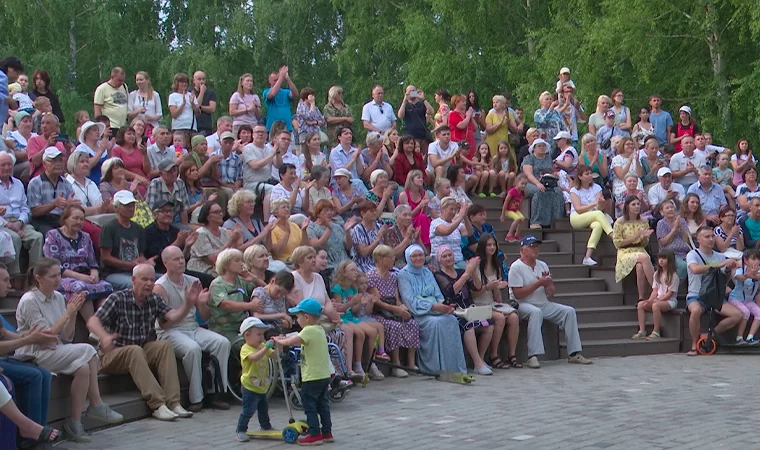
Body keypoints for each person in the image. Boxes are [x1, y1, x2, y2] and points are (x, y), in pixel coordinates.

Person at [15, 258, 122, 442]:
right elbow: (45, 337)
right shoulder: (29, 300)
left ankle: (74, 422)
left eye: (59, 275)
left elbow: (66, 336)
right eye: (53, 276)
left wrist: (71, 314)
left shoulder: (57, 297)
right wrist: (68, 313)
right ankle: (96, 403)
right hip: (34, 352)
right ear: (38, 278)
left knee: (83, 368)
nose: (58, 279)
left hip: (56, 349)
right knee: (88, 349)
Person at [88, 264, 196, 421]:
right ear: (133, 280)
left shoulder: (154, 299)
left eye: (152, 280)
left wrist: (188, 304)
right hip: (112, 354)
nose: (149, 283)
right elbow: (92, 321)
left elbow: (173, 317)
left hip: (141, 350)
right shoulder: (118, 298)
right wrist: (104, 337)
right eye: (144, 279)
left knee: (163, 346)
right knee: (134, 350)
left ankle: (174, 403)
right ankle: (158, 405)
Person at [154, 245, 229, 412]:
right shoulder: (160, 287)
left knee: (222, 343)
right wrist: (188, 302)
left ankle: (216, 392)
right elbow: (165, 323)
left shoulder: (192, 281)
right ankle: (197, 398)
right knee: (193, 349)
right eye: (176, 259)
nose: (181, 261)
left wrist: (202, 303)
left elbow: (205, 315)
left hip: (192, 327)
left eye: (182, 257)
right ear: (165, 263)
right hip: (170, 331)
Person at [509, 236, 592, 368]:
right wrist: (539, 283)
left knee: (569, 311)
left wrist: (548, 285)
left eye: (536, 246)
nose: (535, 249)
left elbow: (551, 294)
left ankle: (574, 353)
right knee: (535, 313)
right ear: (522, 250)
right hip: (522, 304)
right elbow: (518, 294)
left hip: (543, 303)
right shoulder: (516, 267)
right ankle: (533, 356)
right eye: (531, 246)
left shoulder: (542, 265)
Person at [396, 244, 466, 375]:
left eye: (420, 255)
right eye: (414, 256)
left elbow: (438, 294)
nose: (418, 258)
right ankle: (434, 367)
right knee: (436, 323)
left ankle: (452, 366)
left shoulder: (427, 271)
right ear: (408, 258)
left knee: (451, 319)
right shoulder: (403, 275)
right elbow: (410, 301)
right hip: (419, 313)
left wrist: (444, 307)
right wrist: (432, 307)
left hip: (435, 309)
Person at [273, 298, 334, 446]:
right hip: (324, 375)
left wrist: (279, 341)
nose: (297, 320)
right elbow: (296, 337)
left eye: (298, 317)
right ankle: (327, 432)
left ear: (306, 317)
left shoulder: (309, 330)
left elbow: (293, 341)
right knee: (322, 405)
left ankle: (314, 434)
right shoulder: (319, 329)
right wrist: (285, 338)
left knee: (309, 406)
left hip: (312, 376)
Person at [43, 204, 113, 316]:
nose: (79, 222)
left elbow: (92, 262)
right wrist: (81, 277)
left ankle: (100, 324)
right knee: (81, 288)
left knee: (106, 286)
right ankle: (92, 327)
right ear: (65, 219)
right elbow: (54, 266)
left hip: (85, 276)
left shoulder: (86, 236)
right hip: (63, 276)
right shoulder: (53, 235)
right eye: (75, 218)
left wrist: (94, 274)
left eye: (82, 219)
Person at [685, 227, 743, 356]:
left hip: (715, 295)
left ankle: (709, 335)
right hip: (697, 295)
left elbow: (723, 276)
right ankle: (694, 345)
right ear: (698, 239)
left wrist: (729, 268)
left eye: (712, 236)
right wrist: (719, 265)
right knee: (695, 311)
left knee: (737, 315)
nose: (711, 239)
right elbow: (694, 269)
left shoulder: (719, 256)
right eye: (707, 237)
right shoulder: (693, 254)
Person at [366, 245, 420, 377]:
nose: (393, 260)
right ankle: (396, 364)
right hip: (379, 312)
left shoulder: (393, 277)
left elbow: (396, 298)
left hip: (392, 309)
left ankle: (411, 363)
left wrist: (401, 307)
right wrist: (395, 309)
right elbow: (377, 301)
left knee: (412, 323)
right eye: (391, 258)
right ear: (380, 259)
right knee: (394, 326)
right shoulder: (371, 276)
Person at [331, 261, 386, 380]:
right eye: (353, 270)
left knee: (372, 332)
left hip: (351, 316)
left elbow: (354, 311)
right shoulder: (337, 288)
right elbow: (339, 310)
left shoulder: (353, 288)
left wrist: (360, 303)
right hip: (342, 318)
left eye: (356, 270)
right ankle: (357, 366)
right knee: (360, 333)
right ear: (343, 273)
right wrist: (352, 302)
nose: (356, 272)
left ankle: (371, 364)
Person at [99, 190, 152, 290]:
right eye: (127, 206)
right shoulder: (109, 228)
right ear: (116, 208)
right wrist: (129, 265)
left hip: (135, 271)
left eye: (132, 205)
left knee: (161, 280)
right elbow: (105, 257)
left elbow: (140, 255)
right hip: (113, 273)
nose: (131, 208)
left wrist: (146, 263)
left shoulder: (138, 228)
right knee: (135, 284)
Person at [0, 152, 42, 274]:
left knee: (37, 237)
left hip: (20, 221)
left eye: (9, 165)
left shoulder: (18, 184)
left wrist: (20, 222)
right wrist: (8, 225)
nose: (7, 168)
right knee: (14, 238)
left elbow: (25, 207)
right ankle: (14, 277)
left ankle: (35, 275)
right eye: (3, 165)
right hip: (3, 223)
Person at [235, 317, 275, 442]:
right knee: (248, 410)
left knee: (264, 408)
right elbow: (255, 358)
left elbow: (273, 355)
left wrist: (278, 346)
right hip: (249, 386)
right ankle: (241, 430)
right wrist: (266, 348)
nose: (262, 337)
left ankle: (266, 426)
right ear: (247, 335)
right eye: (258, 334)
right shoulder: (246, 349)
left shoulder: (262, 346)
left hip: (262, 386)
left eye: (263, 334)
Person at [27, 147, 78, 236]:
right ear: (44, 164)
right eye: (53, 161)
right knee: (53, 234)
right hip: (41, 220)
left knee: (78, 229)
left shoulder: (66, 183)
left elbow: (70, 209)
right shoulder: (35, 183)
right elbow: (34, 212)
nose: (57, 164)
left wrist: (69, 206)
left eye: (60, 160)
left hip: (61, 219)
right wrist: (53, 204)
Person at [569, 166, 613, 266]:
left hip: (593, 215)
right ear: (580, 177)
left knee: (598, 225)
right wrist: (593, 204)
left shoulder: (597, 188)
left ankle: (587, 257)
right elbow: (578, 209)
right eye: (587, 174)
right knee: (598, 214)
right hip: (577, 217)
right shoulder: (574, 190)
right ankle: (613, 236)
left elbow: (598, 208)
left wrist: (601, 204)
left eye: (590, 173)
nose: (590, 176)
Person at [613, 196, 655, 298]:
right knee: (644, 257)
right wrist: (634, 237)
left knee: (640, 266)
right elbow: (617, 243)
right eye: (633, 204)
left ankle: (641, 297)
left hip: (639, 249)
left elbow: (644, 244)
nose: (637, 206)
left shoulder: (644, 220)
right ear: (627, 206)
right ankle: (656, 289)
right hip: (625, 251)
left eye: (638, 204)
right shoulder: (619, 222)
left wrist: (645, 237)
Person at [632, 249, 678, 340]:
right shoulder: (657, 274)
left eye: (664, 258)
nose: (661, 260)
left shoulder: (674, 276)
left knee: (655, 306)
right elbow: (655, 290)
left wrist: (657, 301)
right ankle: (642, 330)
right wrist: (649, 300)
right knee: (641, 305)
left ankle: (656, 331)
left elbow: (669, 294)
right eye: (660, 258)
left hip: (670, 301)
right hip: (658, 299)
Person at [521, 138, 565, 228]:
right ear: (534, 148)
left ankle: (556, 220)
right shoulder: (529, 158)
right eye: (539, 146)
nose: (542, 148)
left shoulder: (548, 158)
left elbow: (551, 170)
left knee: (557, 192)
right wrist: (537, 183)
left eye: (543, 146)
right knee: (539, 191)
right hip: (531, 183)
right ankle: (536, 221)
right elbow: (528, 174)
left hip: (547, 182)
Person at [306, 199, 353, 275]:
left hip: (345, 261)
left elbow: (348, 247)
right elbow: (317, 245)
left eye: (331, 210)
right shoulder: (312, 228)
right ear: (318, 214)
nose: (329, 213)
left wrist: (347, 232)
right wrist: (329, 229)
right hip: (329, 265)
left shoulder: (337, 226)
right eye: (326, 211)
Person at [725, 249, 760, 345]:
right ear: (745, 260)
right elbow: (738, 277)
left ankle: (750, 337)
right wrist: (746, 275)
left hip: (748, 301)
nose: (756, 261)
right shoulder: (740, 270)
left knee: (759, 313)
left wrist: (753, 274)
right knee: (746, 312)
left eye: (758, 258)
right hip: (735, 299)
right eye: (753, 258)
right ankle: (739, 338)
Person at [146, 159, 191, 228]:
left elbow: (183, 209)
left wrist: (185, 228)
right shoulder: (155, 184)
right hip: (158, 224)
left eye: (174, 171)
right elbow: (150, 210)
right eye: (169, 172)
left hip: (174, 221)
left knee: (188, 230)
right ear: (161, 174)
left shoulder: (180, 183)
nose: (173, 174)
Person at [241, 124, 281, 194]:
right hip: (252, 184)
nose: (260, 134)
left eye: (263, 132)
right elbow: (255, 165)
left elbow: (278, 165)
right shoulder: (248, 148)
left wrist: (277, 151)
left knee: (283, 188)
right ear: (253, 135)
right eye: (257, 132)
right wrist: (272, 154)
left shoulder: (269, 149)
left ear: (266, 135)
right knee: (273, 190)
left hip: (267, 182)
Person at [397, 169, 432, 247]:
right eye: (418, 177)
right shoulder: (404, 194)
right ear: (411, 179)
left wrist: (425, 206)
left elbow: (425, 212)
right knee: (422, 217)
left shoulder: (424, 193)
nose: (421, 179)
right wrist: (420, 206)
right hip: (408, 220)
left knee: (424, 217)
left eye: (422, 178)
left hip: (421, 219)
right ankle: (426, 245)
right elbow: (408, 215)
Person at [111, 127, 150, 195]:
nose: (132, 136)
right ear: (122, 136)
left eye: (133, 134)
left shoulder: (139, 149)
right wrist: (138, 178)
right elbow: (119, 170)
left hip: (144, 180)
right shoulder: (116, 150)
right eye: (129, 134)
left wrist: (144, 154)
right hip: (128, 182)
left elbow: (147, 170)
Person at [397, 85, 433, 155]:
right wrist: (404, 100)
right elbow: (400, 116)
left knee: (425, 156)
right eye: (409, 92)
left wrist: (423, 99)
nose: (411, 93)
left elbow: (431, 112)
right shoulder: (405, 105)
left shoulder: (422, 104)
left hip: (423, 136)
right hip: (410, 136)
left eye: (413, 91)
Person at [93, 67, 129, 132]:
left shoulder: (124, 86)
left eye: (123, 80)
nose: (121, 82)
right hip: (111, 126)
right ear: (112, 77)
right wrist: (100, 127)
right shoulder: (102, 89)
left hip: (123, 127)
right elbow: (97, 111)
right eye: (119, 80)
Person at [264, 66, 298, 132]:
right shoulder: (266, 91)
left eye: (278, 79)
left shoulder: (286, 92)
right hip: (273, 128)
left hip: (287, 127)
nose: (277, 82)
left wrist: (287, 79)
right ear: (269, 81)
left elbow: (295, 94)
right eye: (275, 80)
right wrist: (281, 77)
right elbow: (272, 94)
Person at [501, 174, 528, 241]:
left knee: (522, 219)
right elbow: (506, 202)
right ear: (517, 182)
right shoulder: (512, 191)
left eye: (525, 184)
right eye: (522, 184)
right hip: (508, 210)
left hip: (515, 210)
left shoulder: (522, 193)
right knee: (517, 219)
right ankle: (509, 235)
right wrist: (503, 214)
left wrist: (520, 211)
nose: (523, 186)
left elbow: (520, 203)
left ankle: (517, 234)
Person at [190, 71, 217, 136]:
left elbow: (212, 108)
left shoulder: (211, 92)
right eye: (199, 79)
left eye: (203, 79)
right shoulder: (190, 92)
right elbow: (196, 105)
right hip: (193, 125)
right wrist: (202, 92)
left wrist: (200, 107)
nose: (202, 81)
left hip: (206, 125)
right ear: (194, 80)